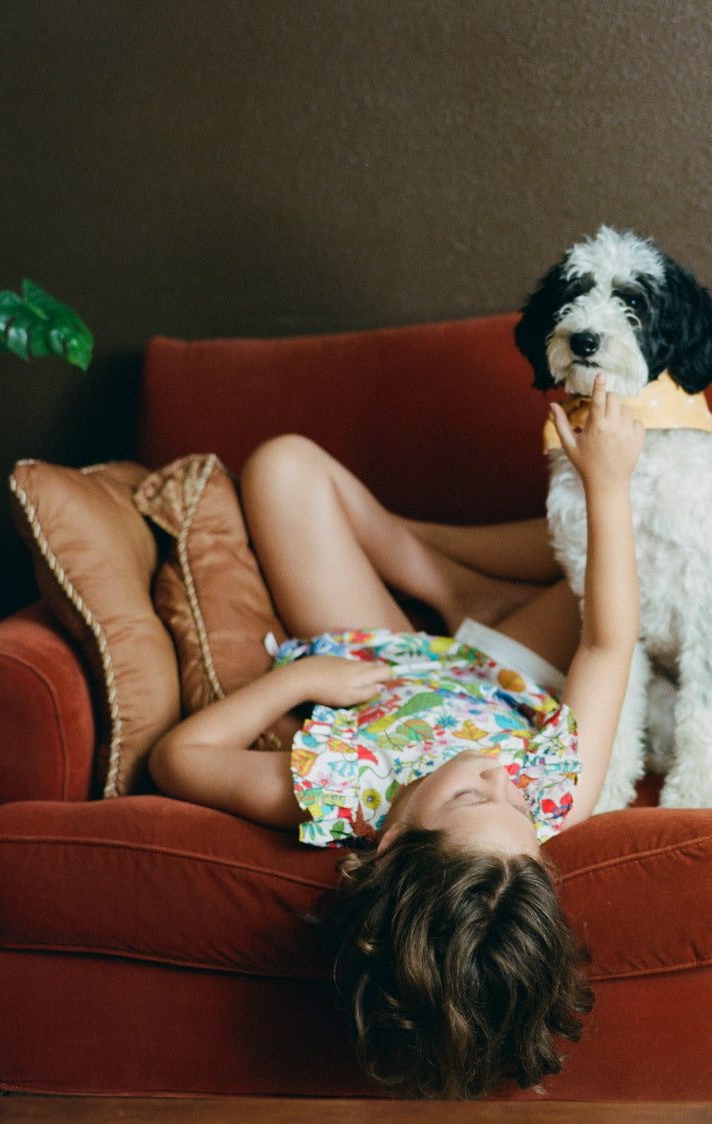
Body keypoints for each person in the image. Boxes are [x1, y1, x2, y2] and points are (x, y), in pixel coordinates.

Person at [148, 375, 644, 1099]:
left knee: (282, 465)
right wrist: (608, 484)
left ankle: (450, 584)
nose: (499, 774)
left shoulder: (342, 787)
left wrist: (300, 680)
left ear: (392, 839)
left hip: (381, 662)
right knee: (638, 540)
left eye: (475, 796)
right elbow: (608, 646)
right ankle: (458, 587)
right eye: (521, 810)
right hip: (506, 668)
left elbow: (177, 758)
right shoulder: (555, 795)